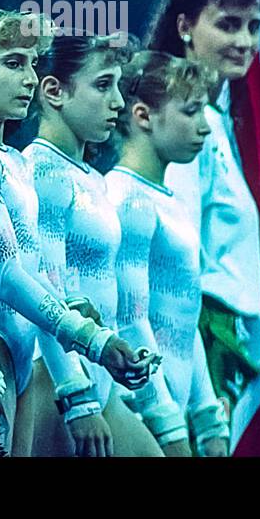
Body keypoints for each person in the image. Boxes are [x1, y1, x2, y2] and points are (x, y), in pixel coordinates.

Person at [0, 10, 151, 454]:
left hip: (22, 343)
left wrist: (73, 314)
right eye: (14, 64)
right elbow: (0, 273)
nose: (30, 78)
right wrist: (82, 361)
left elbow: (27, 267)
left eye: (33, 64)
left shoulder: (14, 162)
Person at [146, 0, 260, 451]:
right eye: (227, 25)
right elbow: (173, 255)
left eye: (253, 26)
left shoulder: (216, 121)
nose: (245, 41)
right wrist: (195, 376)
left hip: (214, 338)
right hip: (192, 335)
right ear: (185, 26)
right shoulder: (181, 119)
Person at [24, 32, 162, 457]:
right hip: (55, 373)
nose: (118, 102)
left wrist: (120, 356)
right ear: (54, 91)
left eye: (118, 85)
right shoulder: (42, 173)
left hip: (97, 373)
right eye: (103, 85)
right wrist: (75, 395)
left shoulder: (93, 179)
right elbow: (44, 289)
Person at [105, 50, 231, 456]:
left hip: (169, 405)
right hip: (136, 410)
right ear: (143, 116)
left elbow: (184, 317)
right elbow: (130, 317)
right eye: (192, 112)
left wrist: (206, 413)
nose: (204, 129)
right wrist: (164, 421)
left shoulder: (169, 201)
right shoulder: (125, 198)